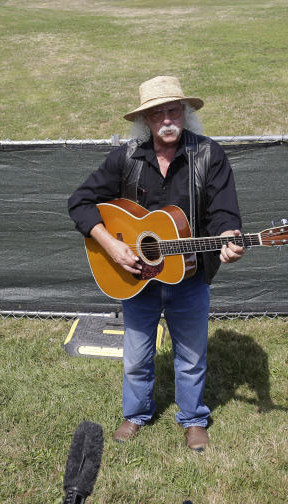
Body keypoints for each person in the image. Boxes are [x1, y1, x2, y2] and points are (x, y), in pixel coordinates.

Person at [68, 75, 244, 452]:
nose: (167, 119)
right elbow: (79, 202)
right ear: (145, 120)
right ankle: (135, 414)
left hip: (189, 276)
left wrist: (230, 238)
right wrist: (112, 248)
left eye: (174, 110)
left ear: (185, 114)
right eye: (158, 113)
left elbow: (224, 213)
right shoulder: (126, 158)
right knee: (136, 353)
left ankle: (193, 418)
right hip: (135, 276)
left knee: (192, 354)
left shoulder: (209, 155)